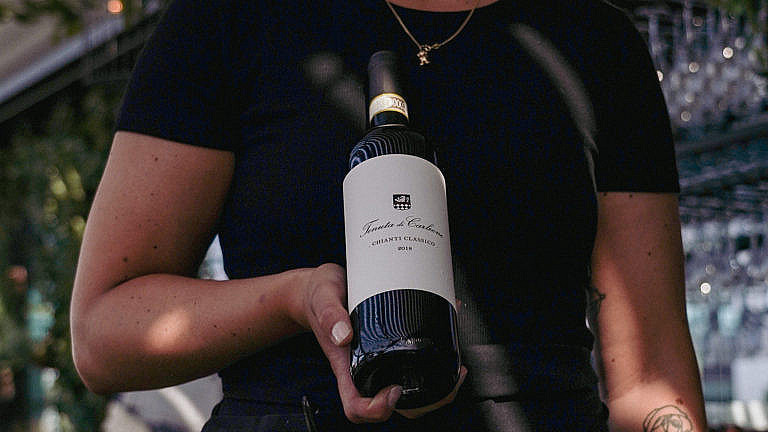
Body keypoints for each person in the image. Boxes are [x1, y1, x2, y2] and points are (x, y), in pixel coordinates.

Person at [70, 0, 708, 430]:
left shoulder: (597, 41)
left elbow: (651, 379)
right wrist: (293, 299)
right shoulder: (230, 18)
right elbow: (103, 335)